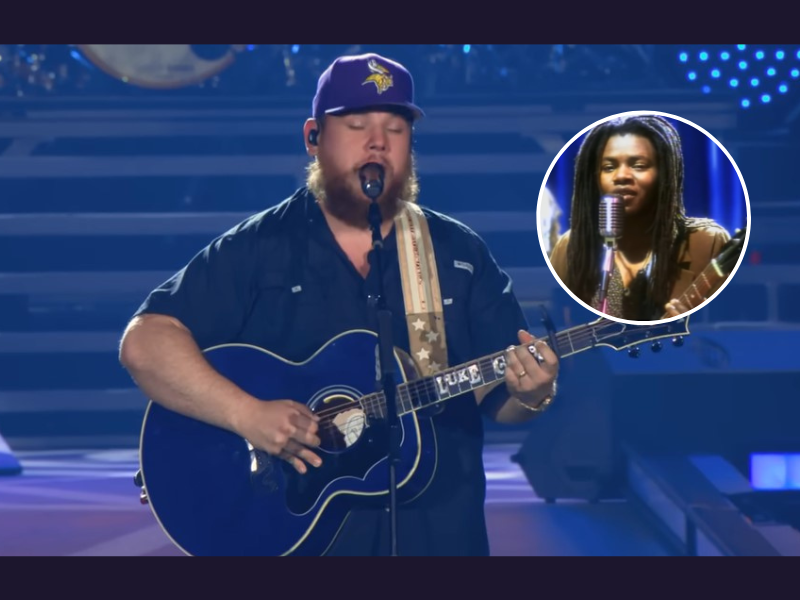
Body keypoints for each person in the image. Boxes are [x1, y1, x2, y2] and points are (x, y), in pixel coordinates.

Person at [119, 52, 559, 556]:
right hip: (294, 535)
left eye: (395, 128)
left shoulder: (457, 252)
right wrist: (247, 415)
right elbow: (145, 343)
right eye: (356, 125)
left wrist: (532, 394)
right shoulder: (261, 246)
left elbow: (499, 397)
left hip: (438, 532)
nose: (378, 142)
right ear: (313, 137)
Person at [548, 114, 731, 321]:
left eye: (639, 165)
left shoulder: (706, 243)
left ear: (664, 175)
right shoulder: (570, 248)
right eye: (609, 167)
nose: (622, 176)